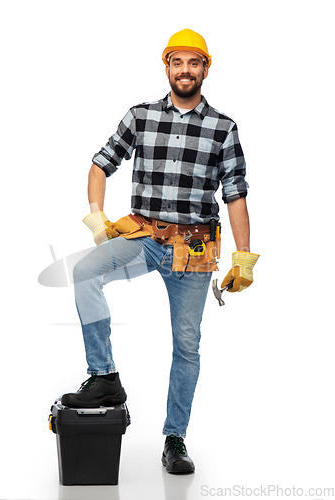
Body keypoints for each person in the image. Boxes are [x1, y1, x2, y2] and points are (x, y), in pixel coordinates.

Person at [61, 29, 259, 474]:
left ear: (206, 68)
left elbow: (236, 196)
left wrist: (243, 257)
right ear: (166, 67)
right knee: (85, 274)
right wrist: (98, 219)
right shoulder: (141, 116)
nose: (185, 71)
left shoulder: (223, 128)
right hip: (145, 239)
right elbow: (100, 164)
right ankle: (105, 377)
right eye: (177, 62)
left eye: (194, 63)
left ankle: (175, 439)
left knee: (186, 345)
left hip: (193, 250)